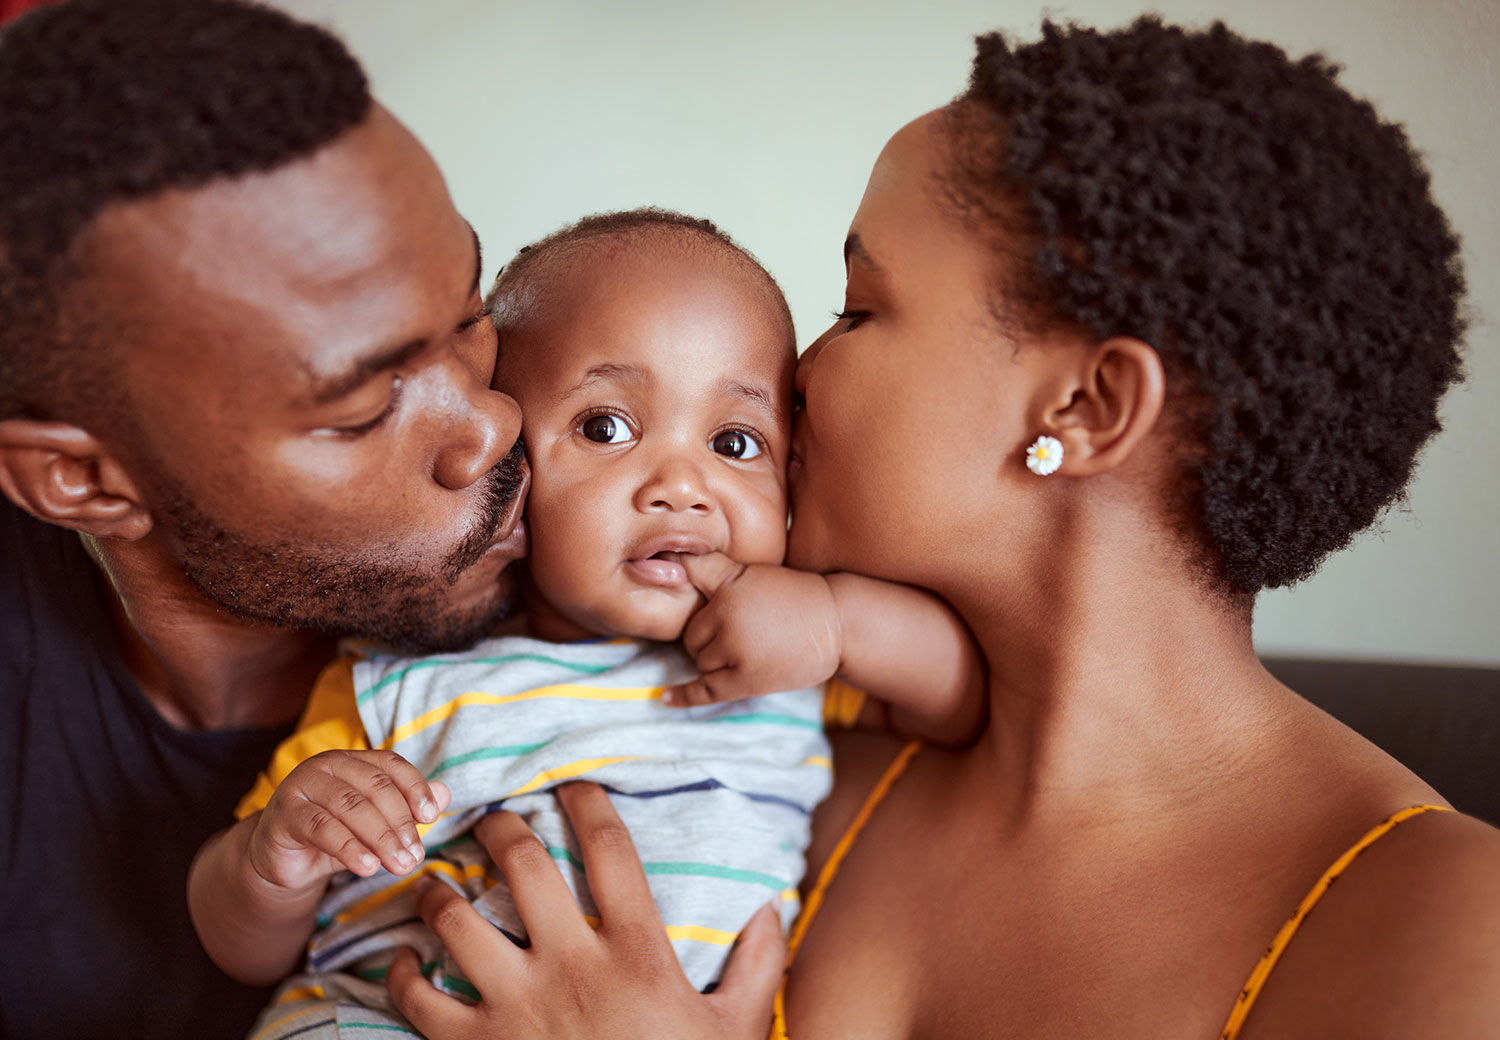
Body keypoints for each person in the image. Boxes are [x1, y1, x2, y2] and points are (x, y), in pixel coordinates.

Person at [373, 18, 1500, 1040]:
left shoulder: (1437, 915)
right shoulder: (779, 755)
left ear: (1085, 409)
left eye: (860, 309)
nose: (794, 379)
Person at [188, 209, 985, 1039]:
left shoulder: (778, 670)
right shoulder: (406, 688)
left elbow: (963, 698)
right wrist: (270, 858)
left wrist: (837, 623)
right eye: (607, 428)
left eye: (735, 442)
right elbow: (243, 948)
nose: (682, 484)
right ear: (508, 469)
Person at [0, 2, 529, 1037]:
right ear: (80, 479)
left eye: (473, 313)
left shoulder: (624, 583)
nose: (495, 424)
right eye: (367, 406)